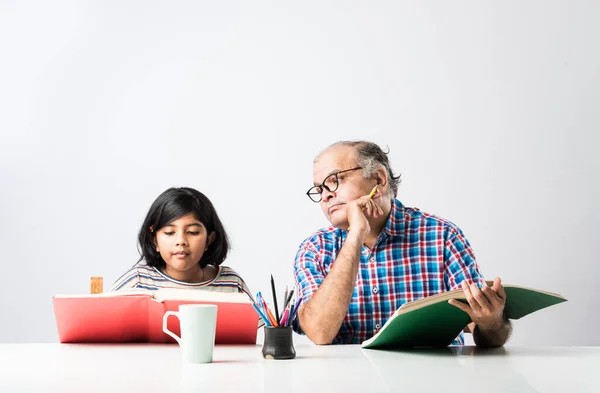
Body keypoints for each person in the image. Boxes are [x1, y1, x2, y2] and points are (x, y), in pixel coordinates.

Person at [292, 141, 512, 347]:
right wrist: (355, 235)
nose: (325, 196)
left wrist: (491, 322)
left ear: (379, 179)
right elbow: (319, 333)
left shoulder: (443, 236)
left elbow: (488, 334)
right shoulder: (314, 249)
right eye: (320, 189)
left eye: (334, 180)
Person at [112, 187, 252, 298]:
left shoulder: (231, 283)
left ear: (209, 240)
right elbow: (100, 323)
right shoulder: (138, 282)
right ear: (154, 240)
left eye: (192, 232)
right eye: (169, 232)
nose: (181, 241)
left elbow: (257, 331)